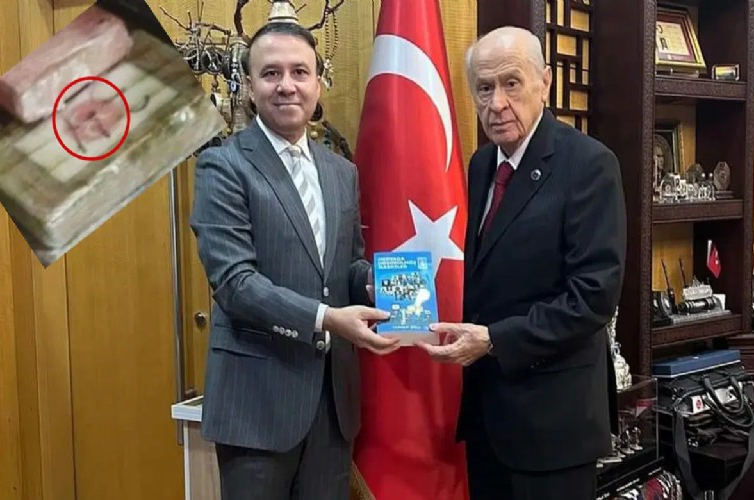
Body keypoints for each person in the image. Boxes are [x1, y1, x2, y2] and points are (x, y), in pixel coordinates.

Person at [189, 21, 399, 500]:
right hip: (257, 406)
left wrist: (373, 284)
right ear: (249, 86)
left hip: (332, 404)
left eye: (299, 72)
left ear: (318, 82)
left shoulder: (341, 171)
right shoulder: (223, 165)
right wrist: (328, 318)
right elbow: (236, 283)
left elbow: (348, 265)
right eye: (271, 73)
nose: (287, 85)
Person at [418, 26, 627, 500]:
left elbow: (593, 297)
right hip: (488, 417)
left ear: (545, 82)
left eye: (511, 83)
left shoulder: (589, 164)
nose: (497, 103)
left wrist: (494, 340)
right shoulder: (481, 164)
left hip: (554, 426)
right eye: (484, 88)